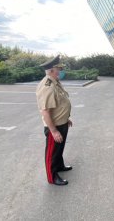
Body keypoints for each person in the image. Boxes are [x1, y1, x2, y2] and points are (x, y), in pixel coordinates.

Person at [36, 56, 73, 186]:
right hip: (55, 126)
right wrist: (53, 131)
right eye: (59, 68)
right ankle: (52, 177)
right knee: (52, 152)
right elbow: (45, 111)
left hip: (61, 122)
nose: (60, 70)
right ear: (52, 70)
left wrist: (66, 118)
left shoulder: (55, 81)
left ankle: (59, 166)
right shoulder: (47, 86)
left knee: (59, 148)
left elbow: (60, 104)